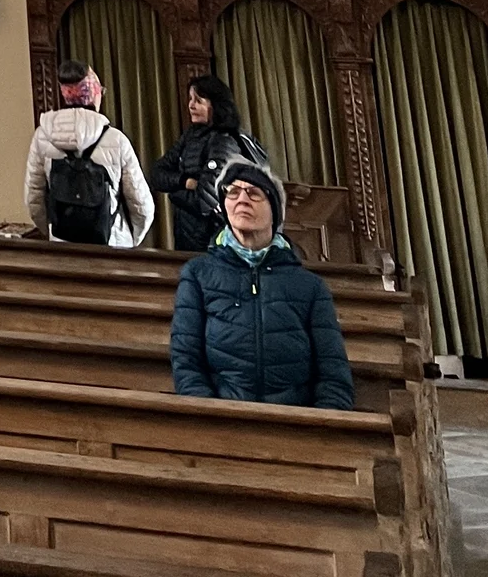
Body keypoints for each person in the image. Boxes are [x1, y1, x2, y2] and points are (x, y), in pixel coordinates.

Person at [170, 160, 354, 409]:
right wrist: (209, 418)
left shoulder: (310, 287)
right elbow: (187, 361)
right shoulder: (198, 275)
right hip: (221, 420)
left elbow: (333, 373)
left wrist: (321, 429)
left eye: (254, 193)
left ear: (275, 210)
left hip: (296, 423)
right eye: (232, 192)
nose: (242, 199)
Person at [23, 62, 155, 249]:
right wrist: (129, 239)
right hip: (111, 245)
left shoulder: (41, 137)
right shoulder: (116, 140)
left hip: (64, 249)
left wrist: (54, 232)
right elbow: (142, 206)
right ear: (95, 95)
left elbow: (33, 200)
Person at [149, 73, 270, 252]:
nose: (191, 105)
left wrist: (173, 194)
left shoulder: (225, 141)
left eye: (198, 100)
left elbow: (204, 201)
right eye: (190, 99)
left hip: (216, 244)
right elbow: (156, 174)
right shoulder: (190, 137)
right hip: (188, 241)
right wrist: (186, 182)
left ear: (216, 104)